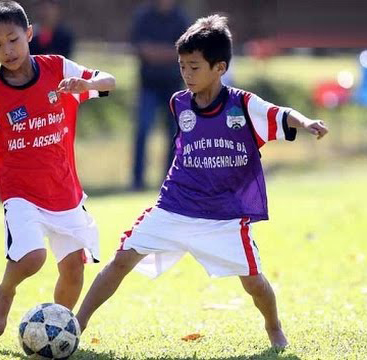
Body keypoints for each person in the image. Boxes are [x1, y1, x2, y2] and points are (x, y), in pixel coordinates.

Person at [76, 15, 328, 350]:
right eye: (182, 66)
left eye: (195, 67)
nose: (186, 74)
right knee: (122, 259)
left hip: (223, 216)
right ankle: (75, 324)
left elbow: (281, 114)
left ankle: (274, 328)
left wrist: (307, 122)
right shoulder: (179, 103)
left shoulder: (243, 104)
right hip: (174, 206)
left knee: (253, 282)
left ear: (219, 67)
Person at [0, 0, 115, 337]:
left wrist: (86, 85)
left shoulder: (58, 69)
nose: (7, 50)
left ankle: (56, 330)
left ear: (29, 33)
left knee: (74, 270)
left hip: (65, 190)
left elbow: (108, 81)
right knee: (32, 257)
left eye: (13, 40)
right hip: (20, 191)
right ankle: (5, 292)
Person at [130, 0, 189, 190]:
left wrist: (157, 52)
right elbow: (141, 49)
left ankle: (170, 181)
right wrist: (167, 53)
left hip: (174, 87)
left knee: (174, 134)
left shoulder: (180, 19)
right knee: (142, 130)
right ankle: (137, 180)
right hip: (148, 85)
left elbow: (184, 52)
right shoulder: (144, 17)